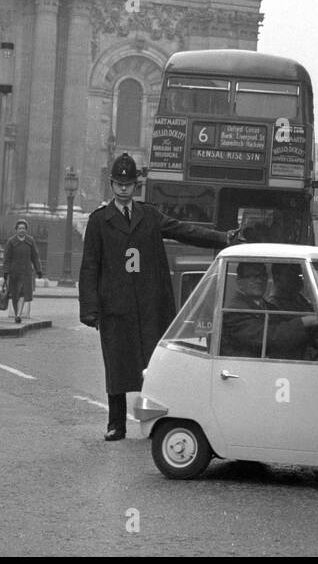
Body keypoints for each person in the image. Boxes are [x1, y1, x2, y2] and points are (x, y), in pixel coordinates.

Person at [79, 153, 238, 441]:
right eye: (119, 183)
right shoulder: (99, 221)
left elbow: (183, 230)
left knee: (152, 366)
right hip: (115, 306)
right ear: (111, 184)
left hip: (150, 304)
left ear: (136, 185)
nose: (124, 189)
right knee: (116, 364)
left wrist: (222, 238)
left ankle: (153, 422)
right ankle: (116, 424)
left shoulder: (149, 216)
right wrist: (90, 309)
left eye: (129, 184)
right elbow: (90, 265)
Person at [2, 218, 43, 324]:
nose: (22, 230)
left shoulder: (30, 241)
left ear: (26, 230)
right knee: (15, 294)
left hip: (26, 272)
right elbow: (7, 258)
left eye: (23, 228)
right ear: (16, 230)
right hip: (14, 272)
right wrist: (5, 272)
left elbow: (35, 256)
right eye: (20, 228)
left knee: (23, 293)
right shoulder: (11, 242)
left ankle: (18, 315)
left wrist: (39, 270)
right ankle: (17, 313)